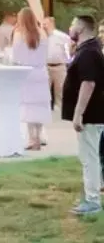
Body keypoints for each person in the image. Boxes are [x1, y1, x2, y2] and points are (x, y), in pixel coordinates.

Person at [62, 15, 104, 216]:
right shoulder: (87, 49)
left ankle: (93, 200)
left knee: (89, 157)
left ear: (81, 27)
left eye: (72, 23)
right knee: (90, 155)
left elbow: (88, 84)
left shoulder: (89, 53)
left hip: (91, 114)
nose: (70, 27)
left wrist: (79, 114)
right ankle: (91, 194)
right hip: (92, 113)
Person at [12, 7, 50, 152]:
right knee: (39, 106)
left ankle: (32, 138)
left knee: (28, 106)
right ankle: (38, 136)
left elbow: (16, 56)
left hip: (26, 73)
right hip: (40, 72)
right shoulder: (43, 33)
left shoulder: (19, 34)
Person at [43, 17, 71, 113]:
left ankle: (62, 113)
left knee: (61, 91)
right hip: (46, 67)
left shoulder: (62, 37)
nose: (44, 26)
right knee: (44, 91)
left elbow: (70, 49)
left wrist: (68, 61)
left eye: (45, 23)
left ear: (52, 23)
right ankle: (45, 112)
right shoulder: (42, 36)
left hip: (60, 66)